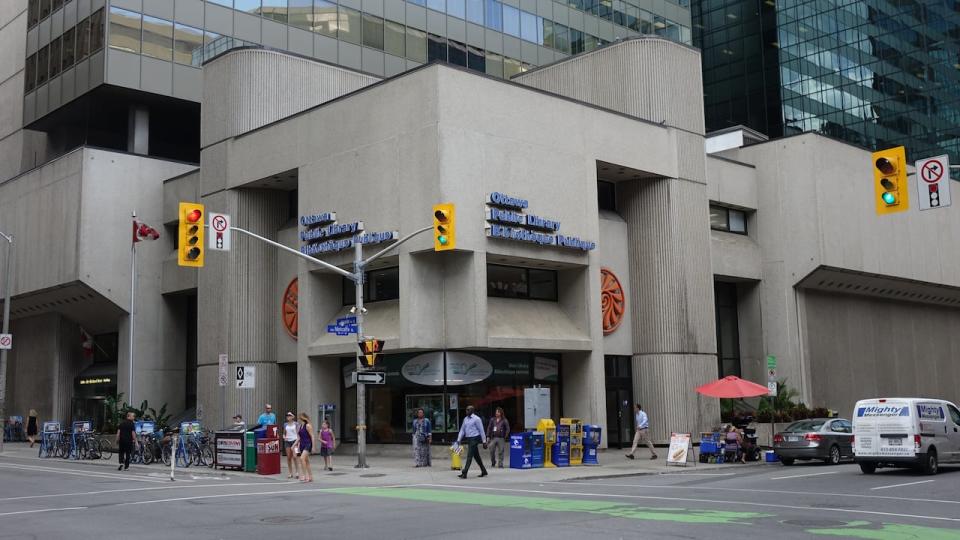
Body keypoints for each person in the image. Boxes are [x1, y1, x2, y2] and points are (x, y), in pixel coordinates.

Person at [455, 405, 487, 479]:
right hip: (469, 439)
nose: (466, 411)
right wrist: (459, 439)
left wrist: (484, 441)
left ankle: (464, 472)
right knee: (476, 456)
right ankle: (484, 471)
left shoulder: (477, 419)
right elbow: (462, 430)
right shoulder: (465, 419)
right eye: (466, 410)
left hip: (475, 438)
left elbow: (481, 430)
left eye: (468, 410)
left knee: (469, 456)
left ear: (472, 411)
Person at [296, 412, 314, 482]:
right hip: (302, 444)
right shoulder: (300, 426)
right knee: (307, 461)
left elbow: (312, 436)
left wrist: (313, 446)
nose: (299, 418)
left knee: (302, 458)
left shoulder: (308, 425)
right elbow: (299, 438)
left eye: (301, 417)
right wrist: (294, 445)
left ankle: (305, 475)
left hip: (308, 444)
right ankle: (310, 476)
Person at [282, 412, 300, 479]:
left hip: (295, 441)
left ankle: (297, 472)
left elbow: (298, 434)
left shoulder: (296, 424)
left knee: (295, 457)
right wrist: (284, 437)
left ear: (293, 417)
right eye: (287, 416)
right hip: (287, 441)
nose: (288, 417)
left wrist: (298, 441)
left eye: (289, 415)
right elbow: (284, 433)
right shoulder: (285, 424)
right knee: (289, 457)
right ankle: (290, 472)